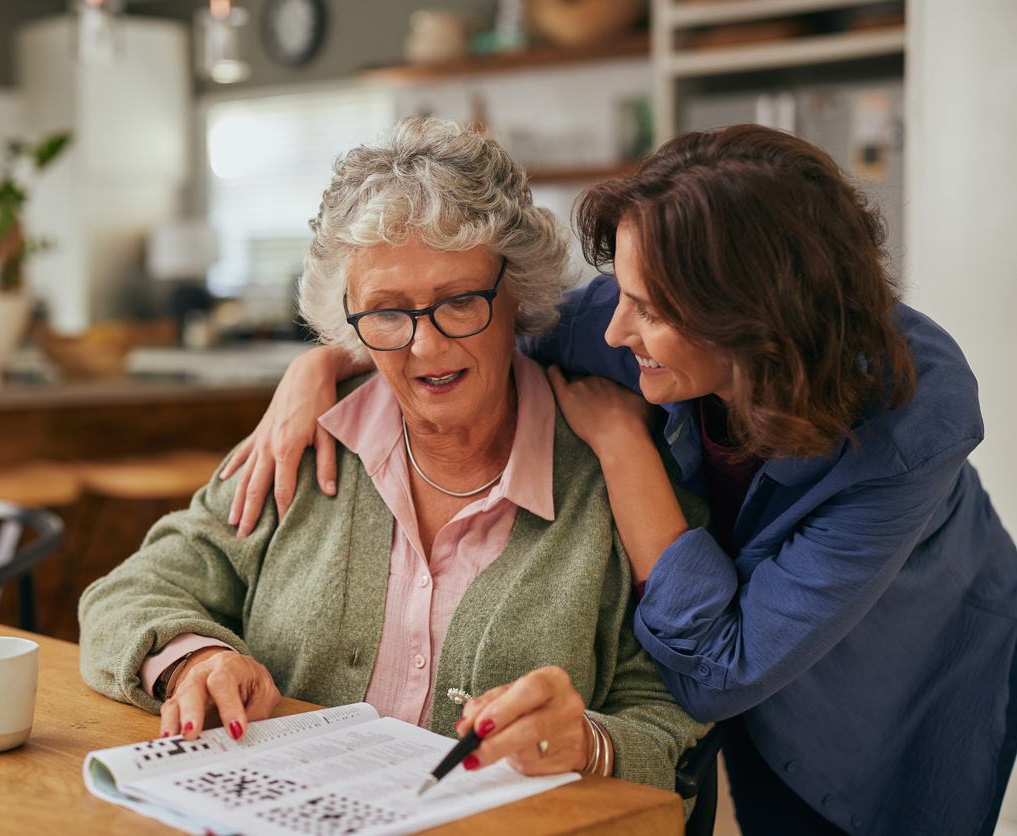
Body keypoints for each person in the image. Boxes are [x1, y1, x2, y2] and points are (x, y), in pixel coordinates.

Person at [222, 123, 1017, 836]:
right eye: (621, 291)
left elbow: (718, 670)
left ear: (751, 324)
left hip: (896, 669)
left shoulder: (913, 422)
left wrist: (619, 444)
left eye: (648, 308)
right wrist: (323, 364)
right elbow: (464, 331)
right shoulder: (624, 326)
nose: (611, 327)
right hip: (710, 631)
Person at [79, 116, 710, 797]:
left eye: (460, 300)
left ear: (516, 289)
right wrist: (193, 659)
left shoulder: (618, 474)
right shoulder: (300, 444)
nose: (426, 348)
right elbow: (128, 594)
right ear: (343, 317)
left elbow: (674, 725)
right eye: (385, 311)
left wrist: (588, 741)